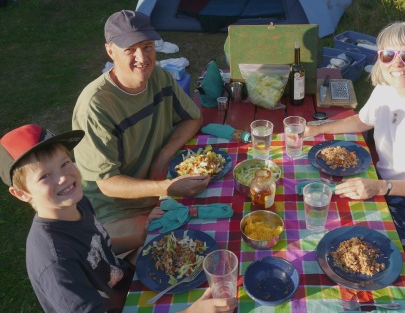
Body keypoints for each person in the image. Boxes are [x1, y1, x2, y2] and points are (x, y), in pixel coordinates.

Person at [0, 124, 237, 313]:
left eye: (65, 163)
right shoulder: (55, 263)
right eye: (45, 176)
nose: (64, 178)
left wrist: (143, 235)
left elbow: (98, 246)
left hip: (130, 285)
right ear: (21, 194)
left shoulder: (76, 202)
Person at [305, 21, 405, 245]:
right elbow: (362, 121)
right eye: (388, 54)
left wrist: (380, 187)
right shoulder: (386, 89)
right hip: (380, 184)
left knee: (343, 240)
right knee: (319, 206)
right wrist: (316, 129)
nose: (396, 63)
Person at [72, 10, 210, 260]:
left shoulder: (159, 76)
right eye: (130, 49)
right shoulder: (96, 106)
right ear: (110, 51)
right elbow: (107, 184)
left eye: (147, 46)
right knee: (171, 257)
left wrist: (163, 155)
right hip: (116, 210)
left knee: (214, 230)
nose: (142, 58)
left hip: (158, 188)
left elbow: (193, 118)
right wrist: (168, 187)